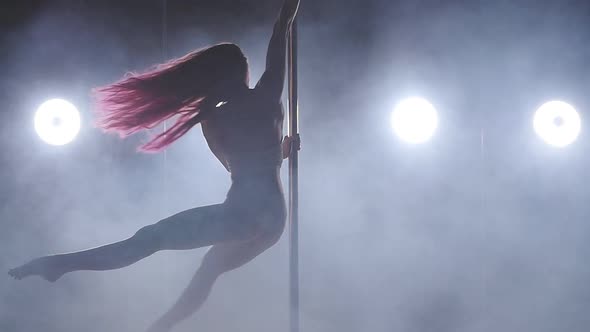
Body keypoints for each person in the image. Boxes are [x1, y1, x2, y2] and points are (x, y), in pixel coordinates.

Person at [9, 0, 300, 331]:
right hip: (273, 217)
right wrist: (281, 152)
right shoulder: (267, 96)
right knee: (208, 267)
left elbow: (238, 167)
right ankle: (161, 325)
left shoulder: (214, 119)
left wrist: (276, 152)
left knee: (151, 239)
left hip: (244, 215)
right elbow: (282, 28)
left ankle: (62, 267)